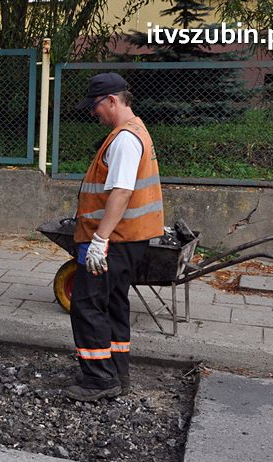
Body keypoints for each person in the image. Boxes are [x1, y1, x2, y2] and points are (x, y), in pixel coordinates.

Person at [65, 72, 164, 401]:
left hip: (114, 240)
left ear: (111, 100)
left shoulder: (123, 139)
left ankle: (99, 380)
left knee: (86, 305)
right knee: (113, 304)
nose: (94, 112)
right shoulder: (136, 131)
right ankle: (118, 371)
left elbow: (121, 192)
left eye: (96, 105)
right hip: (128, 239)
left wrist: (99, 240)